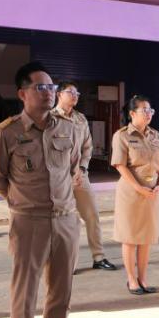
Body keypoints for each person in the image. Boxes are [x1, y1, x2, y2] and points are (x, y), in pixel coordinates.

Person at [0, 61, 81, 318]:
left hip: (65, 219)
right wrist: (22, 201)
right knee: (25, 291)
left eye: (51, 87)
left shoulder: (68, 128)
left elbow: (71, 168)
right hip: (29, 221)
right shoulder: (7, 133)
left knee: (61, 290)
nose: (48, 93)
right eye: (40, 87)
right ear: (22, 93)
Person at [52, 82, 116, 271]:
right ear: (59, 94)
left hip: (80, 176)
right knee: (65, 221)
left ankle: (99, 257)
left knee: (92, 215)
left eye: (77, 93)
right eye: (70, 92)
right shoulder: (49, 118)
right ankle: (67, 263)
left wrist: (82, 168)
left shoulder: (80, 119)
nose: (75, 95)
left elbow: (87, 147)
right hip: (58, 179)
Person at [111, 95, 159, 295]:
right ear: (132, 113)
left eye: (150, 110)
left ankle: (143, 278)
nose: (148, 113)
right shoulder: (122, 136)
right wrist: (138, 188)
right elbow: (120, 165)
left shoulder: (155, 135)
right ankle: (131, 279)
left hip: (151, 193)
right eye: (144, 110)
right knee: (130, 237)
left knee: (146, 238)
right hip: (131, 193)